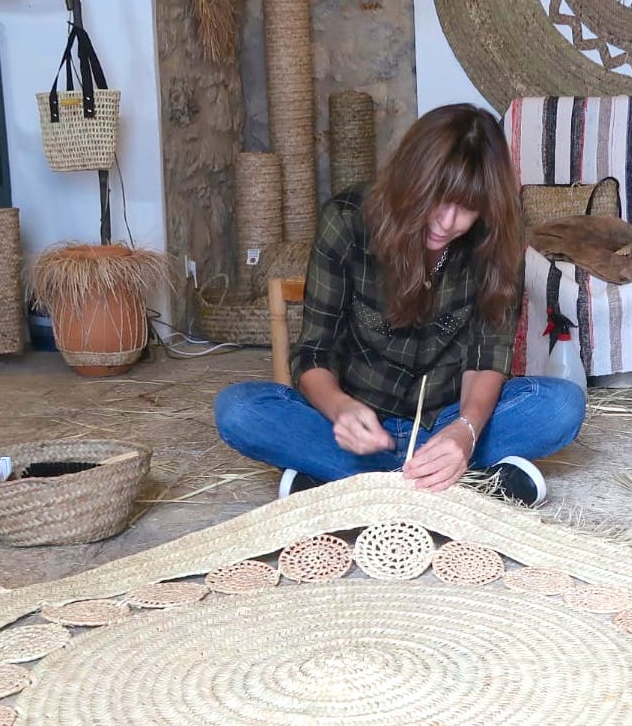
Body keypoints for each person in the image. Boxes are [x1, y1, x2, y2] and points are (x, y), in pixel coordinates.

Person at [214, 103, 585, 505]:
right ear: (412, 179)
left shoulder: (496, 242)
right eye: (437, 200)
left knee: (562, 405)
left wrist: (466, 432)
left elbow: (488, 358)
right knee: (238, 410)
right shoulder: (348, 221)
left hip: (447, 419)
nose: (447, 222)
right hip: (362, 425)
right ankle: (465, 482)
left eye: (467, 208)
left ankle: (346, 484)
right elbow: (313, 353)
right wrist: (340, 410)